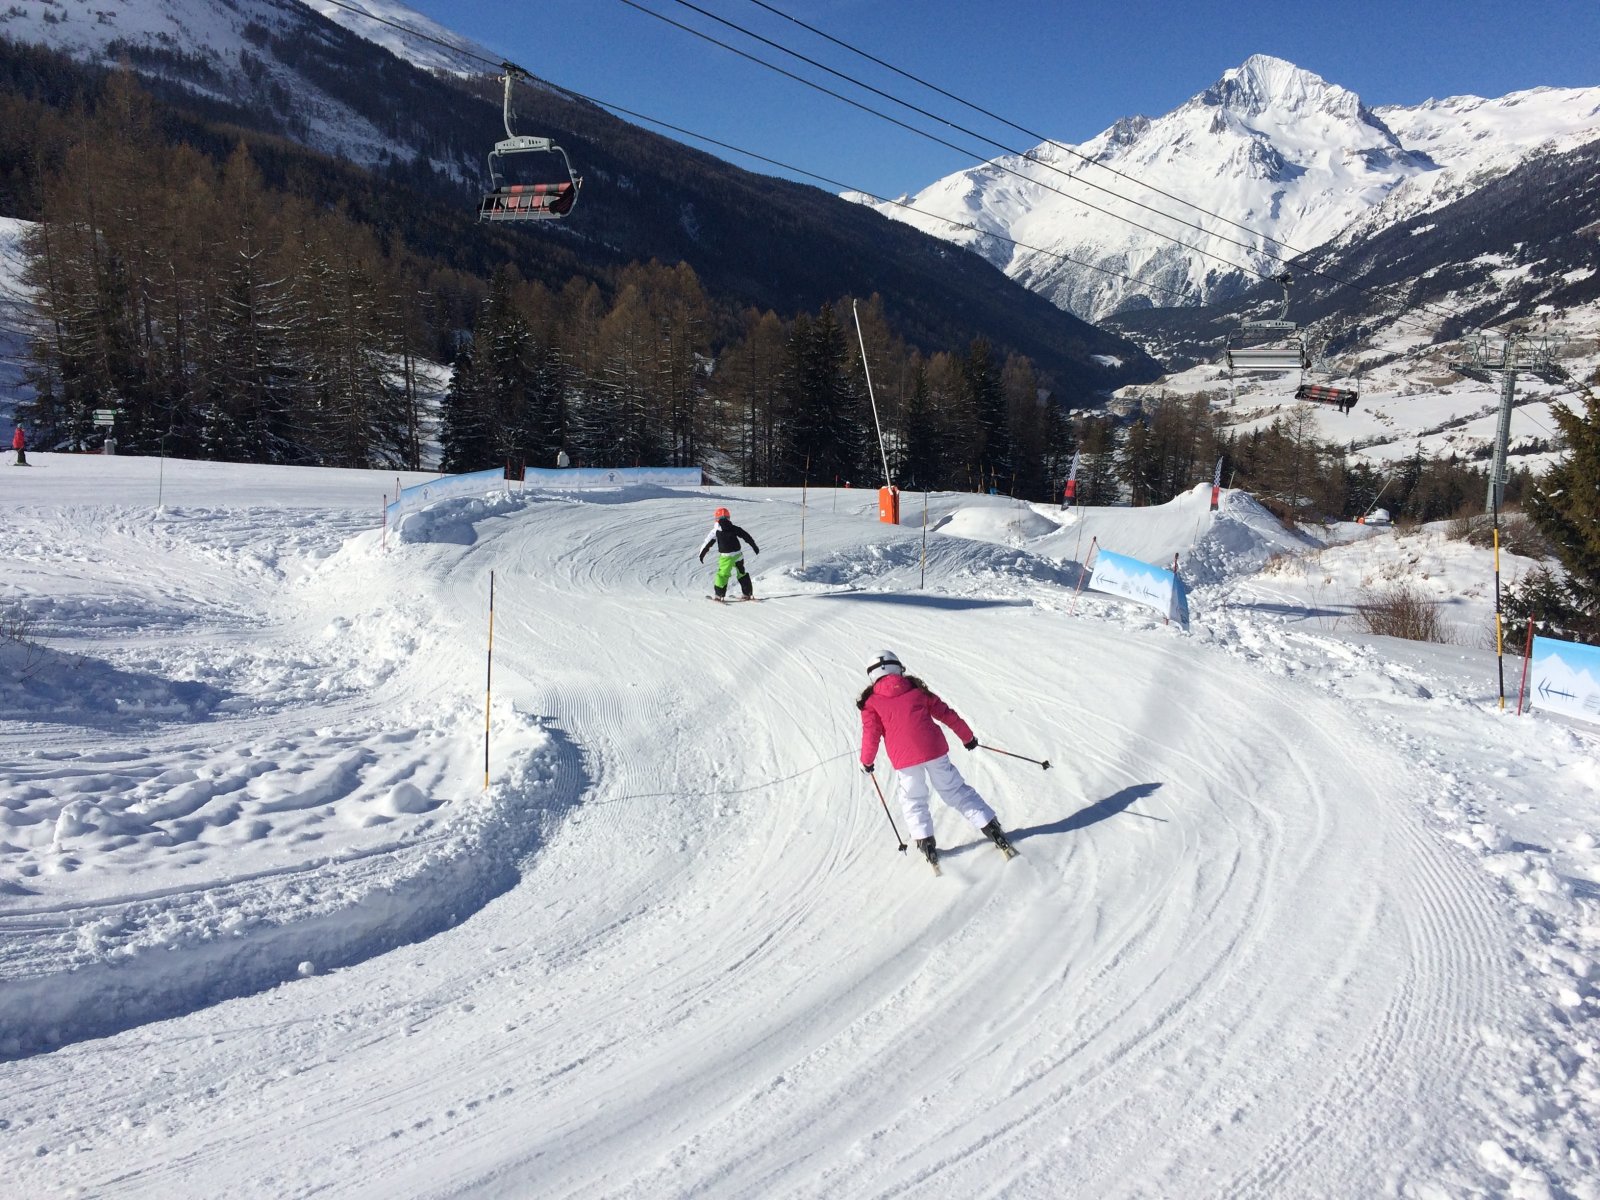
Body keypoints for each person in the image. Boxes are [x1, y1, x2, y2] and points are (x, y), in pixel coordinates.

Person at [857, 650, 1012, 868]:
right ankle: (989, 825)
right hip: (934, 750)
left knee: (913, 799)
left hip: (905, 760)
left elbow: (870, 735)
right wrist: (967, 737)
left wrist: (867, 761)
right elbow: (947, 714)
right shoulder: (916, 690)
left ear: (873, 676)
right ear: (898, 668)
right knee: (954, 790)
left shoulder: (871, 703)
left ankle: (925, 841)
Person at [698, 506, 759, 601]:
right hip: (738, 555)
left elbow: (707, 543)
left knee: (722, 574)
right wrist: (754, 546)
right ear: (728, 518)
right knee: (742, 573)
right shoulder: (734, 528)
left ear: (716, 519)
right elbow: (746, 536)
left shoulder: (716, 531)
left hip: (726, 557)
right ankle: (747, 594)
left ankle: (719, 596)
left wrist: (701, 555)